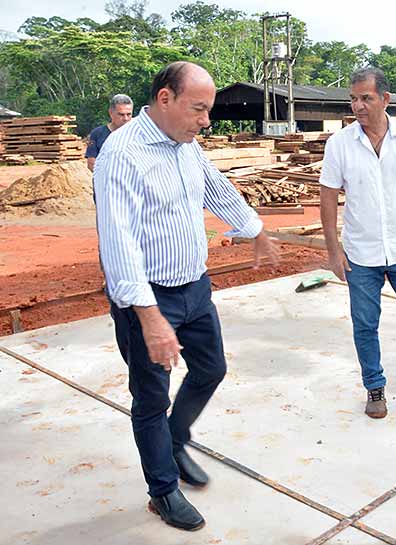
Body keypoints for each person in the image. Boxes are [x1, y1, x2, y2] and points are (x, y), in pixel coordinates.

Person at [94, 61, 278, 531]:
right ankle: (162, 490)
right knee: (151, 398)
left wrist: (255, 229)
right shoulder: (123, 153)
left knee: (211, 368)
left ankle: (175, 441)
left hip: (194, 287)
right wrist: (150, 318)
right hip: (148, 299)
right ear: (164, 100)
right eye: (198, 109)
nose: (205, 120)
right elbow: (119, 244)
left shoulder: (186, 145)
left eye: (207, 110)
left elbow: (215, 188)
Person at [319, 67, 396, 419]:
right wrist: (333, 251)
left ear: (385, 99)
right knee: (365, 324)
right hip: (360, 253)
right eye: (354, 99)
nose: (358, 106)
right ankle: (374, 387)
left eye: (366, 98)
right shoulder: (339, 144)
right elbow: (327, 197)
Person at [85, 94, 134, 172]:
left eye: (129, 114)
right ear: (111, 113)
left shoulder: (138, 134)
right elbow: (91, 163)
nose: (125, 118)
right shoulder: (97, 134)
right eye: (121, 114)